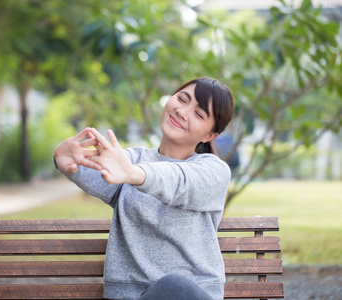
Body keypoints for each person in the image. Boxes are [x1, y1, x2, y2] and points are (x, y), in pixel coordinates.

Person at [53, 77, 234, 300]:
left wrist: (134, 174)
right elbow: (98, 171)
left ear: (209, 135)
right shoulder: (133, 159)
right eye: (181, 99)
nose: (182, 112)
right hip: (128, 295)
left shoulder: (213, 171)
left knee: (173, 285)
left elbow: (178, 181)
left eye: (198, 114)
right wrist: (68, 161)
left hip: (188, 294)